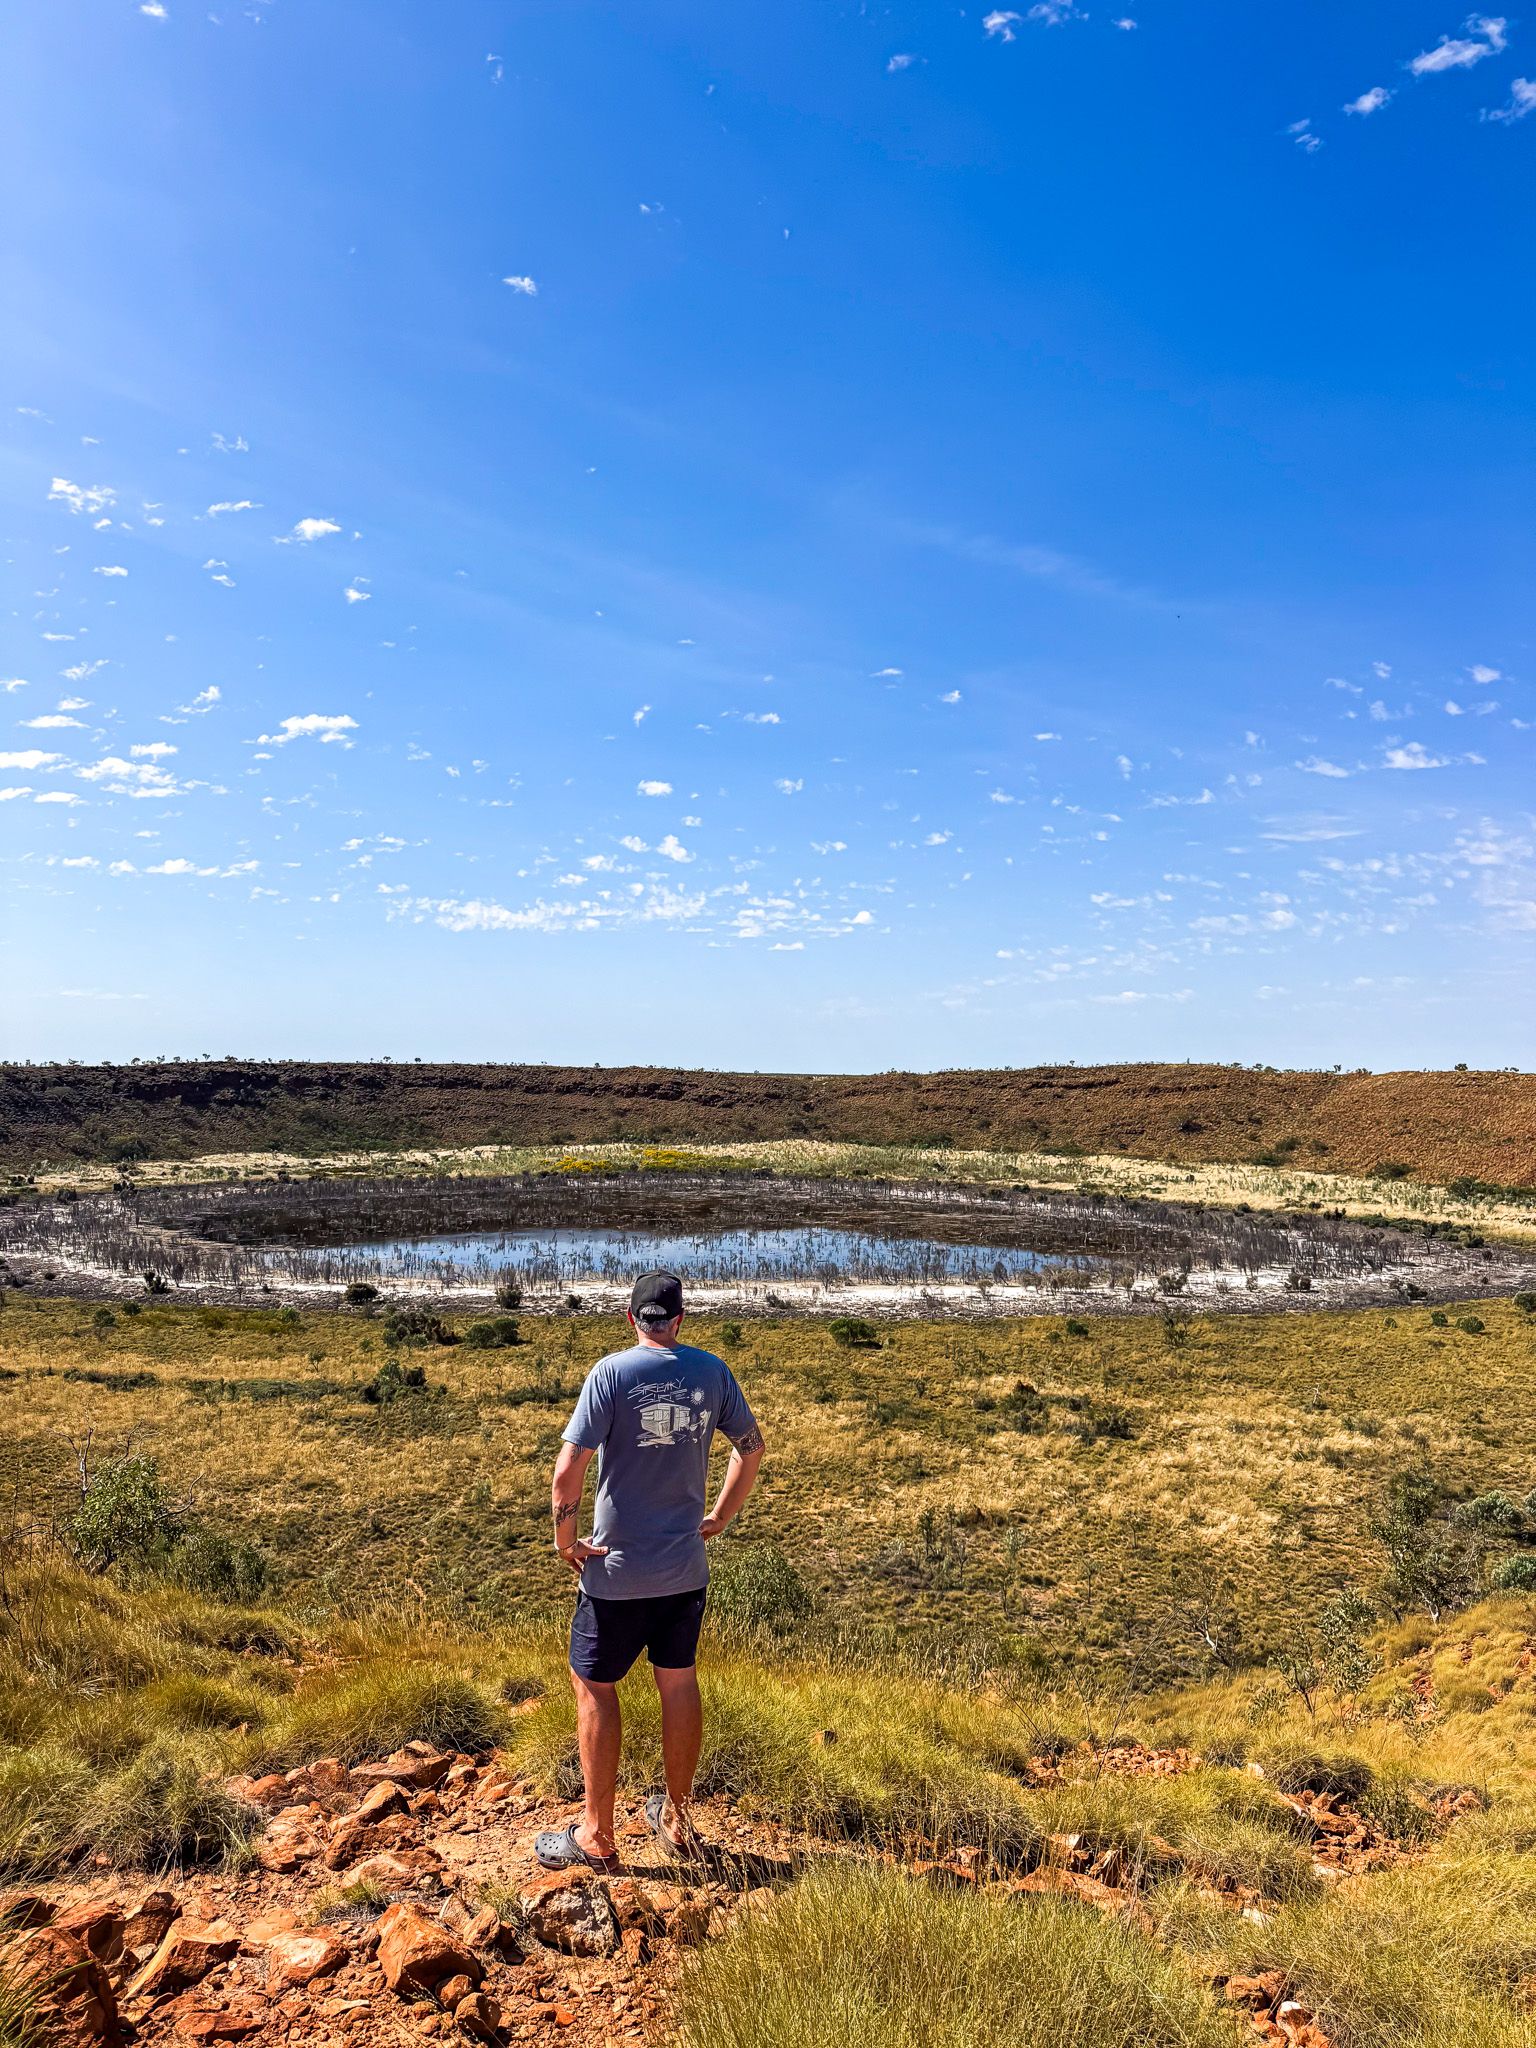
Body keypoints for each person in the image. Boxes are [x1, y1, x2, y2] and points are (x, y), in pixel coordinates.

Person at [534, 1269, 765, 1872]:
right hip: (684, 1569)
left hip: (615, 1571)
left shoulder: (611, 1373)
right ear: (681, 1319)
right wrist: (718, 1517)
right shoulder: (711, 1372)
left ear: (632, 1319)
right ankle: (678, 1820)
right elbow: (751, 1447)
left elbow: (566, 1473)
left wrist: (565, 1541)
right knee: (679, 1683)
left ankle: (596, 1835)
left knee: (594, 1686)